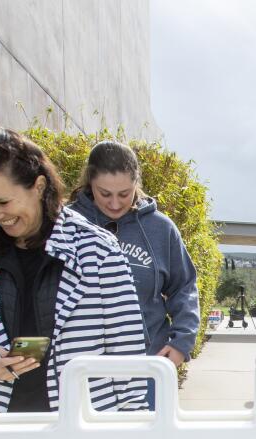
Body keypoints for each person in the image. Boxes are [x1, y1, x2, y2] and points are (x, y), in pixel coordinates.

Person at [0, 126, 147, 413]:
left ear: (38, 187)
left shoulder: (98, 250)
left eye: (3, 201)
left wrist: (131, 425)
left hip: (82, 428)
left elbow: (126, 351)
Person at [70, 141, 200, 406]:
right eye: (104, 194)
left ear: (137, 184)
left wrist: (180, 344)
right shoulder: (68, 225)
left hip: (148, 369)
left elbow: (184, 286)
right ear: (89, 182)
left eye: (124, 193)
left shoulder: (161, 229)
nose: (115, 204)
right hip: (82, 374)